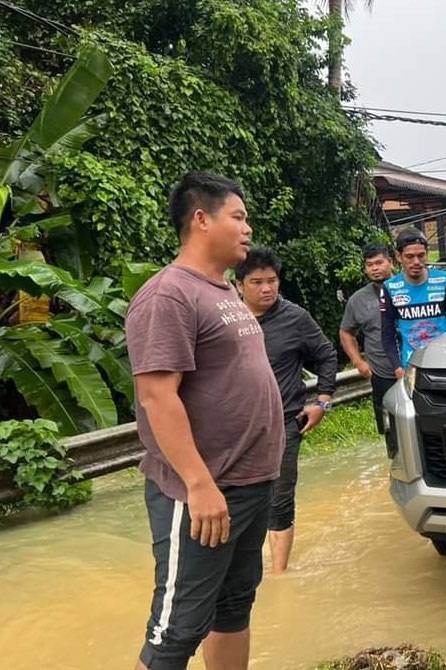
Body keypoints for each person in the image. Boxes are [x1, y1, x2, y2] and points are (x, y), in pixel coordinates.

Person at [126, 172, 284, 670]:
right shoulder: (168, 296)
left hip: (251, 483)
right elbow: (157, 398)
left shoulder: (221, 291)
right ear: (201, 220)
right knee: (176, 628)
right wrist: (199, 484)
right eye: (237, 217)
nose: (247, 228)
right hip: (203, 493)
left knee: (234, 608)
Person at [234, 247, 338, 574]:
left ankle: (279, 577)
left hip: (284, 423)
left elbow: (326, 355)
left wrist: (323, 400)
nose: (267, 288)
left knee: (280, 499)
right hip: (234, 428)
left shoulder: (295, 318)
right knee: (237, 498)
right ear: (238, 285)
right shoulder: (223, 317)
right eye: (257, 282)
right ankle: (241, 567)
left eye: (272, 280)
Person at [380, 228, 446, 378]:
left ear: (427, 254)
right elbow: (387, 334)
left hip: (445, 361)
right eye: (409, 256)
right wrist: (397, 367)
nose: (416, 262)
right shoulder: (390, 287)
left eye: (421, 256)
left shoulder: (443, 280)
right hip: (412, 366)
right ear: (398, 257)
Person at [339, 242, 397, 432]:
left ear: (391, 262)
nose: (375, 268)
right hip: (381, 374)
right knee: (389, 430)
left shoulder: (407, 289)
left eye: (379, 263)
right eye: (370, 265)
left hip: (413, 371)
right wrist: (358, 362)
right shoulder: (358, 300)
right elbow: (346, 332)